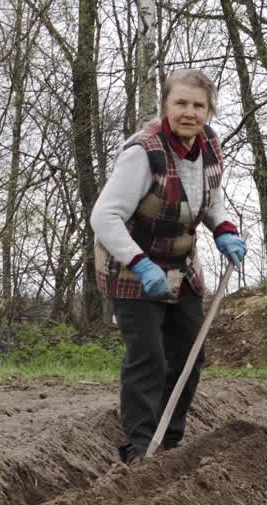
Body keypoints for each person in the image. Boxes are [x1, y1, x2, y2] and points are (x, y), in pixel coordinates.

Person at [90, 69, 246, 464]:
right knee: (148, 359)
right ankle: (140, 448)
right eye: (181, 103)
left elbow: (211, 199)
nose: (189, 112)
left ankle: (170, 443)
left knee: (188, 357)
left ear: (209, 111)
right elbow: (104, 217)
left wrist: (224, 230)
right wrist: (141, 266)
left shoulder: (209, 145)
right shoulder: (143, 153)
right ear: (165, 106)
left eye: (198, 105)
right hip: (131, 266)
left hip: (181, 265)